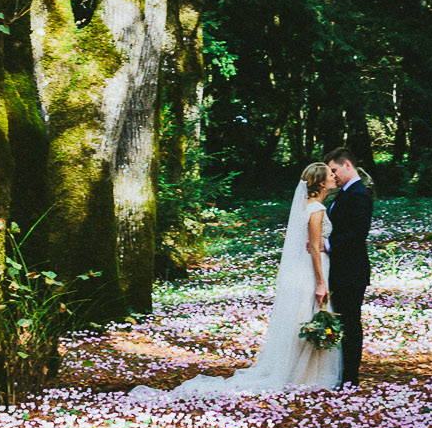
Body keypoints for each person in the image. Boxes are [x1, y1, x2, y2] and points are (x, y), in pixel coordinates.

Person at [129, 162, 343, 397]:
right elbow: (313, 246)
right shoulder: (317, 209)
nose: (335, 176)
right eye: (331, 174)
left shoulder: (305, 206)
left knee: (302, 318)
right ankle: (304, 375)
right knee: (310, 315)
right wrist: (321, 282)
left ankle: (299, 372)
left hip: (302, 270)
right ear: (321, 182)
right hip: (311, 271)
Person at [321, 147, 373, 387]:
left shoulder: (359, 194)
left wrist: (327, 244)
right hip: (340, 270)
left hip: (351, 272)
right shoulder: (344, 193)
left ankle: (351, 377)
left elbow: (357, 234)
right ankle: (341, 372)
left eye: (334, 170)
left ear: (347, 165)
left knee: (351, 324)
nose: (332, 176)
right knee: (341, 322)